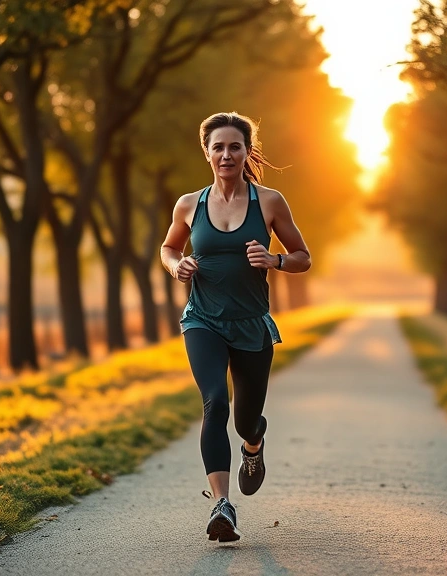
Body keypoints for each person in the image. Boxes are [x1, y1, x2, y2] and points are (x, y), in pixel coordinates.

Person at [160, 112, 311, 543]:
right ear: (206, 152)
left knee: (245, 418)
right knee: (215, 403)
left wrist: (275, 260)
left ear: (247, 152)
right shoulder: (190, 204)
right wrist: (177, 266)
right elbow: (169, 247)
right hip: (202, 320)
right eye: (218, 147)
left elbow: (303, 255)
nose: (226, 154)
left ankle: (254, 444)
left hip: (250, 325)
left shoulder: (269, 202)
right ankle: (221, 504)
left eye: (235, 147)